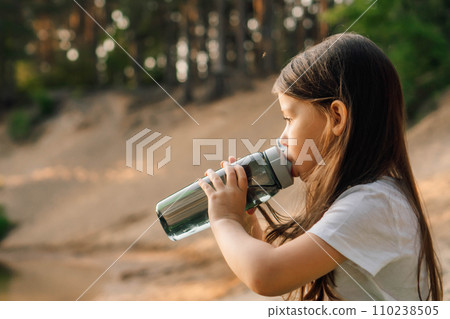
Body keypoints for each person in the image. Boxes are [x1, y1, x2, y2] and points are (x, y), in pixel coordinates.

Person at [197, 33, 443, 301]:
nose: (282, 138)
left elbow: (267, 274)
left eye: (289, 118)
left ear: (336, 117)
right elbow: (290, 272)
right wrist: (246, 223)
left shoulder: (372, 203)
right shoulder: (369, 199)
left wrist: (224, 219)